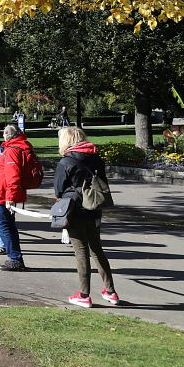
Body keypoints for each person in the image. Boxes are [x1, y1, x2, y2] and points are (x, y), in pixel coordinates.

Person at [55, 127, 119, 308]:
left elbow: (59, 189)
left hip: (74, 209)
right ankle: (111, 291)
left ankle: (84, 294)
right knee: (97, 249)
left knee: (81, 251)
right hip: (94, 207)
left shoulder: (66, 162)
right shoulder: (96, 158)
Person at [0, 124, 40, 272]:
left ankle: (15, 258)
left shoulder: (12, 150)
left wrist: (10, 197)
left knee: (4, 225)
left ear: (7, 136)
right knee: (9, 225)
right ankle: (15, 257)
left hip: (3, 194)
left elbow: (13, 176)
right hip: (6, 193)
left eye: (4, 134)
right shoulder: (22, 147)